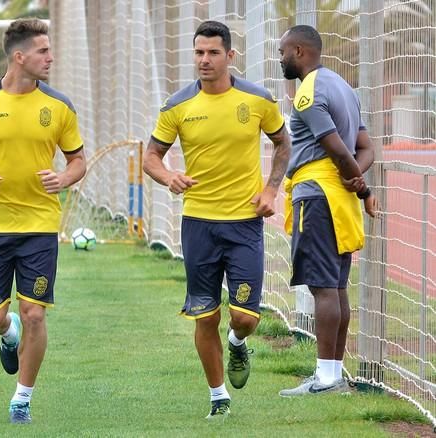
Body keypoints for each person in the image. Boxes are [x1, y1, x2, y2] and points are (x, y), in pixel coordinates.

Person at [142, 20, 291, 419]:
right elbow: (151, 157)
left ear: (230, 55)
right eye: (198, 53)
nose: (204, 60)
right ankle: (218, 396)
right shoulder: (177, 106)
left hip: (244, 224)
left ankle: (239, 344)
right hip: (198, 225)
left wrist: (271, 189)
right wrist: (169, 175)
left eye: (212, 53)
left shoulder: (257, 99)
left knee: (243, 316)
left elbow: (282, 143)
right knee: (204, 313)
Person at [0, 18, 86, 424]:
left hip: (40, 226)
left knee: (35, 314)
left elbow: (78, 160)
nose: (51, 57)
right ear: (19, 57)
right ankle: (8, 336)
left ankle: (21, 398)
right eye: (43, 51)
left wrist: (62, 178)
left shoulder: (59, 106)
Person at [277, 25, 377, 397]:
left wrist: (362, 186)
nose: (281, 59)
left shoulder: (308, 93)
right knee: (336, 287)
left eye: (283, 52)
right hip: (339, 197)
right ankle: (333, 373)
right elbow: (365, 149)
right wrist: (356, 181)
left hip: (317, 195)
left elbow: (336, 148)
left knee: (323, 288)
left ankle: (326, 379)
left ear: (300, 51)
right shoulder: (344, 88)